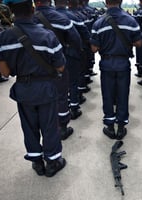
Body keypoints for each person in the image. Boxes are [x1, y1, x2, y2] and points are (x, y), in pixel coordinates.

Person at [0, 0, 67, 177]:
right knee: (49, 125)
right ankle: (52, 162)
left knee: (29, 126)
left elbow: (4, 72)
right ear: (33, 9)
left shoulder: (2, 38)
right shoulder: (47, 36)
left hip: (23, 89)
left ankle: (37, 162)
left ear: (11, 11)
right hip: (45, 88)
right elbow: (60, 67)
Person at [90, 0, 142, 140]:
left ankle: (110, 126)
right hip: (123, 63)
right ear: (121, 1)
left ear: (106, 2)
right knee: (123, 94)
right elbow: (138, 43)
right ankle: (121, 127)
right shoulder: (131, 21)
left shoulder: (98, 23)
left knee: (107, 95)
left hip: (106, 64)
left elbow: (94, 48)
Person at [33, 0, 83, 140]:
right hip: (59, 61)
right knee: (61, 94)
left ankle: (46, 126)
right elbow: (76, 39)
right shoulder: (61, 19)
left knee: (41, 97)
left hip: (35, 65)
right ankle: (62, 127)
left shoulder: (29, 20)